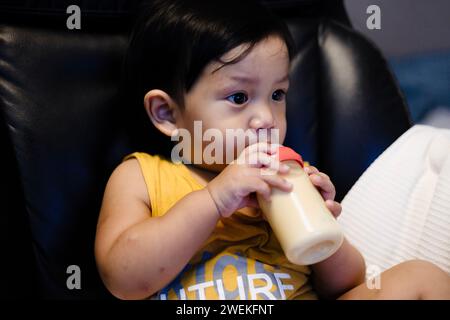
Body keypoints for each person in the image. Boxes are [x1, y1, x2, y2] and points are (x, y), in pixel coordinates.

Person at [94, 0, 450, 300]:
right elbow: (125, 278)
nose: (266, 118)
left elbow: (345, 285)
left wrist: (324, 231)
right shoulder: (141, 176)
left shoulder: (289, 179)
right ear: (167, 113)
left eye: (277, 94)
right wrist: (215, 199)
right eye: (238, 98)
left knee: (422, 279)